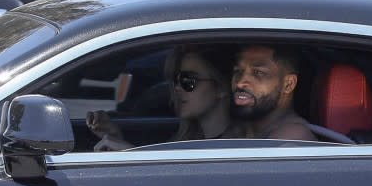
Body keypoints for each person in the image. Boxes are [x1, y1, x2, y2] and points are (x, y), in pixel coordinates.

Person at [87, 45, 240, 150]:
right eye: (175, 80)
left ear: (221, 87)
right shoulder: (188, 138)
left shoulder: (239, 147)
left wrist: (132, 154)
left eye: (188, 81)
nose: (177, 88)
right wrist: (114, 137)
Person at [231, 44, 317, 141]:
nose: (240, 83)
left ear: (288, 84)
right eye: (238, 71)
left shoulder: (292, 139)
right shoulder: (241, 129)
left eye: (258, 73)